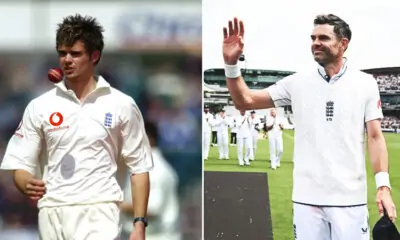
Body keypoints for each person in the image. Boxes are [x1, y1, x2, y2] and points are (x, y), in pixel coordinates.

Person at [222, 14, 396, 239]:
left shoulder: (366, 83)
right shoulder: (296, 82)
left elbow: (375, 137)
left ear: (343, 44)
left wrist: (383, 187)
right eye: (313, 37)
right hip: (307, 201)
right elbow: (244, 101)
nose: (315, 42)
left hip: (350, 200)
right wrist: (231, 64)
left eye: (323, 37)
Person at [0, 14, 153, 240]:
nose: (67, 60)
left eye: (75, 53)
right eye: (62, 53)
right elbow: (20, 163)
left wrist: (139, 224)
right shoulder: (40, 106)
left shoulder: (121, 104)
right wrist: (25, 183)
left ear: (94, 55)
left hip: (101, 211)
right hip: (52, 212)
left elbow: (139, 167)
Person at [121, 121, 181, 240]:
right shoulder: (140, 166)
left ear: (149, 139)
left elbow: (151, 210)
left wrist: (116, 205)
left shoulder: (155, 170)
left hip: (157, 236)